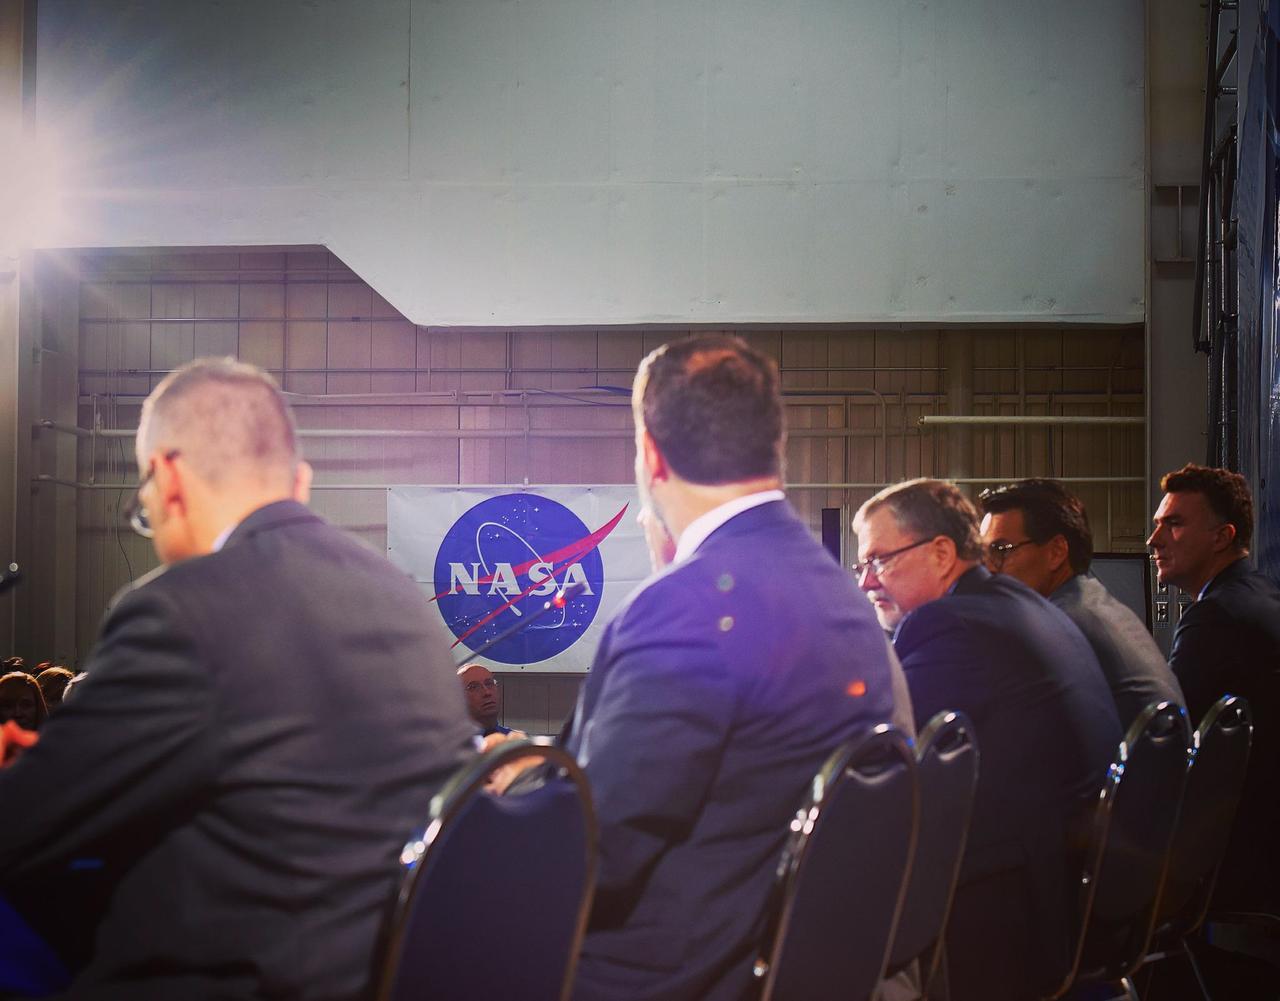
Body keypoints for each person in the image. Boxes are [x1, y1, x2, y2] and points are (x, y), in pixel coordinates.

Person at [0, 357, 476, 1001]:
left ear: (167, 477)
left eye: (145, 508)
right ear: (298, 482)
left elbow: (25, 828)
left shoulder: (181, 609)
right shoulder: (406, 605)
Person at [543, 334, 911, 1001]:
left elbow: (592, 851)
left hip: (658, 974)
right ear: (774, 445)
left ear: (650, 453)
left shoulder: (686, 608)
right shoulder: (838, 596)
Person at [853, 478, 1121, 1001]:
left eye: (879, 561)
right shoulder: (1021, 606)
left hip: (1013, 914)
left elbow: (885, 770)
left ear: (940, 553)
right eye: (861, 566)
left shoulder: (949, 624)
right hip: (1078, 894)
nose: (866, 583)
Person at [1148, 463, 1280, 913]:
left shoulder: (1215, 618)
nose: (1154, 540)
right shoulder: (1261, 593)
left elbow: (1164, 743)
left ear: (1222, 537)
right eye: (1156, 525)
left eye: (1174, 524)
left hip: (1237, 865)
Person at [978, 478, 1181, 729]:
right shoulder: (1097, 606)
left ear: (1056, 552)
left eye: (1002, 549)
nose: (987, 568)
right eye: (984, 554)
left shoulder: (1054, 630)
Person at [457, 663, 511, 736]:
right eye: (474, 687)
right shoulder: (449, 744)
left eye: (489, 684)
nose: (487, 692)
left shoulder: (519, 742)